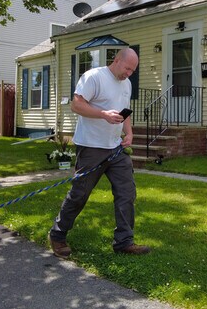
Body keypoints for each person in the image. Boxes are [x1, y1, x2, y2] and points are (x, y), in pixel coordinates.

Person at [48, 47, 151, 258]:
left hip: (115, 148)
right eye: (127, 68)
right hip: (91, 147)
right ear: (116, 60)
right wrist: (103, 114)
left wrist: (129, 133)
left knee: (126, 193)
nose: (129, 74)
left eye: (133, 70)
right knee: (80, 194)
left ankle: (124, 241)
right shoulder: (94, 77)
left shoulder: (127, 84)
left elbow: (125, 111)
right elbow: (77, 105)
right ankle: (58, 235)